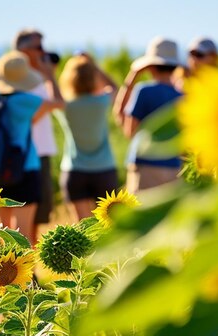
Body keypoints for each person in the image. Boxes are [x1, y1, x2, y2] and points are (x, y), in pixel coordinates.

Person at [0, 51, 62, 245]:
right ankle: (27, 275)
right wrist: (49, 75)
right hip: (25, 167)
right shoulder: (26, 100)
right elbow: (59, 103)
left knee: (3, 229)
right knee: (23, 233)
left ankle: (2, 272)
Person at [113, 37, 183, 193]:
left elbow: (130, 131)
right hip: (173, 165)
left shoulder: (143, 91)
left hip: (145, 163)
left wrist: (132, 77)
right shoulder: (182, 97)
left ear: (150, 67)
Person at [57, 53, 119, 221]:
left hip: (74, 170)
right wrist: (94, 65)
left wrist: (48, 71)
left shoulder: (66, 106)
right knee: (110, 225)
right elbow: (116, 88)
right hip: (104, 170)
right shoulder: (101, 102)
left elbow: (55, 96)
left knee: (83, 228)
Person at [14, 28, 63, 236]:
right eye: (38, 48)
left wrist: (48, 76)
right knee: (25, 217)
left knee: (37, 218)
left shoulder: (36, 79)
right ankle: (25, 267)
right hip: (28, 154)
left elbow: (57, 103)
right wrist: (50, 76)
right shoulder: (19, 81)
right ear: (23, 51)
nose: (43, 52)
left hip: (40, 151)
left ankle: (29, 267)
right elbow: (58, 104)